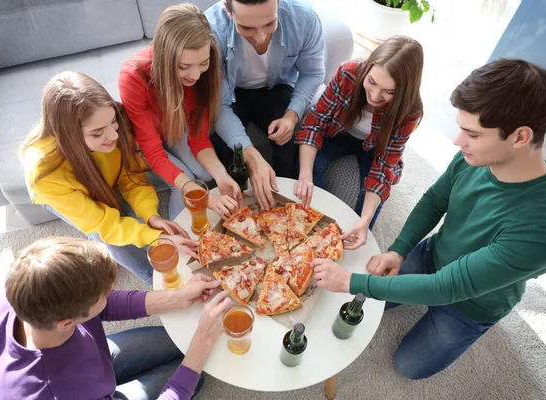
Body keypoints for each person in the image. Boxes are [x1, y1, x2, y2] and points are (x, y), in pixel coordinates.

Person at [311, 58, 546, 380]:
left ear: (520, 137)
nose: (457, 141)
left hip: (473, 303)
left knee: (408, 366)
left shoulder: (545, 228)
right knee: (372, 302)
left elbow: (449, 287)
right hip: (434, 256)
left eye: (472, 133)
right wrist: (399, 249)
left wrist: (349, 281)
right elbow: (434, 200)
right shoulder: (474, 156)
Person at [0, 237, 231, 400]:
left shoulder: (19, 286)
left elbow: (103, 305)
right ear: (67, 323)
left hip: (88, 365)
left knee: (180, 343)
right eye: (104, 295)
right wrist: (203, 341)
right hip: (82, 390)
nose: (109, 296)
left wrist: (177, 297)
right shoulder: (51, 392)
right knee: (195, 373)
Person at [22, 72, 196, 285]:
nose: (114, 136)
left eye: (113, 121)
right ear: (70, 136)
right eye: (97, 133)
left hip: (102, 175)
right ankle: (153, 279)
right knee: (108, 238)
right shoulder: (44, 176)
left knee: (134, 221)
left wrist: (151, 216)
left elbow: (131, 177)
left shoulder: (112, 123)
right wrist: (157, 238)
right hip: (63, 192)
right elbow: (104, 224)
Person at [295, 36, 424, 244]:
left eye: (388, 91)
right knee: (308, 167)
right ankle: (317, 226)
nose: (374, 95)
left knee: (372, 198)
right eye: (371, 82)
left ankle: (351, 238)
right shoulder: (349, 72)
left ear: (402, 92)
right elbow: (314, 124)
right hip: (337, 132)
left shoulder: (410, 110)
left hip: (375, 147)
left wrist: (365, 220)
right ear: (368, 70)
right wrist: (305, 177)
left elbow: (383, 169)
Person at [119, 3, 242, 220]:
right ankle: (183, 236)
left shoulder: (206, 70)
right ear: (164, 59)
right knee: (190, 184)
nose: (195, 76)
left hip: (176, 129)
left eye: (202, 64)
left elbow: (198, 135)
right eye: (183, 67)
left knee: (206, 173)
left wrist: (222, 177)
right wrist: (199, 194)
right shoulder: (133, 77)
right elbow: (154, 152)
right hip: (144, 143)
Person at [206, 0, 326, 210]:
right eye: (247, 28)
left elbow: (313, 72)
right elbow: (219, 106)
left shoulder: (304, 19)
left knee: (290, 142)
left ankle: (287, 209)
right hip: (230, 92)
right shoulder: (210, 30)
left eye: (270, 24)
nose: (260, 37)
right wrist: (250, 156)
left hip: (276, 86)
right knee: (226, 147)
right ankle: (237, 208)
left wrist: (292, 115)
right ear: (228, 10)